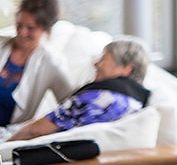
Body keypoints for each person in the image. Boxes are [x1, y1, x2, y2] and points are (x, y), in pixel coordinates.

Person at [7, 36, 151, 141]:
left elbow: (34, 131)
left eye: (103, 60)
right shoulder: (137, 103)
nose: (96, 64)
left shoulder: (97, 97)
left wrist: (4, 144)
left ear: (126, 69)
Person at [0, 0, 72, 127]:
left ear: (45, 28)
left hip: (5, 137)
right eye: (19, 25)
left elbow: (70, 105)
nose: (22, 32)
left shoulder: (52, 63)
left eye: (30, 28)